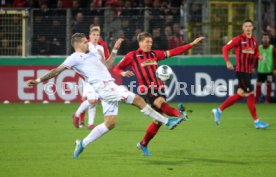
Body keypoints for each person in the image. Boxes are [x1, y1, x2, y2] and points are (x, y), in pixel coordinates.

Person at [26, 33, 184, 159]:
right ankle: (167, 121)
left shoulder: (93, 53)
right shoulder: (74, 57)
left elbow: (108, 65)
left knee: (110, 123)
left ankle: (82, 143)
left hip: (109, 86)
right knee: (138, 99)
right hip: (104, 87)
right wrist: (39, 80)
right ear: (78, 44)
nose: (88, 44)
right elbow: (57, 71)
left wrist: (114, 49)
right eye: (85, 42)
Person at [113, 32, 204, 156]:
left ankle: (143, 144)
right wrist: (122, 73)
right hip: (147, 89)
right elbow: (116, 68)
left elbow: (173, 52)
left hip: (160, 88)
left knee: (158, 121)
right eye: (147, 42)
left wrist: (191, 44)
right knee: (161, 104)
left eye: (150, 42)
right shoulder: (132, 55)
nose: (149, 44)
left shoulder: (154, 54)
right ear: (140, 42)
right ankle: (179, 114)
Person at [212, 19, 269, 129]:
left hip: (248, 72)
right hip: (241, 72)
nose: (248, 28)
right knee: (251, 94)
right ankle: (257, 122)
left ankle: (218, 110)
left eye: (250, 26)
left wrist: (259, 56)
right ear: (243, 28)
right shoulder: (238, 39)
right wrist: (227, 61)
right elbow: (225, 48)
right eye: (246, 26)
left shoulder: (254, 41)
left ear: (252, 28)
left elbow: (256, 51)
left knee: (240, 94)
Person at [75, 25, 110, 129]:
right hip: (88, 77)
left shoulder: (101, 47)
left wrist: (102, 56)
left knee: (94, 100)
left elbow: (104, 63)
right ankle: (78, 116)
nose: (96, 36)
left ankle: (90, 123)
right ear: (90, 35)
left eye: (97, 35)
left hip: (98, 77)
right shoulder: (86, 46)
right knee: (89, 99)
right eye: (94, 34)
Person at [255, 33, 276, 103]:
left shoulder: (272, 48)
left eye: (266, 38)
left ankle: (267, 100)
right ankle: (256, 99)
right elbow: (255, 58)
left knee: (269, 84)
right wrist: (254, 66)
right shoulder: (259, 48)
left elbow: (275, 59)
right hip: (261, 70)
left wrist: (274, 69)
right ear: (262, 39)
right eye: (264, 38)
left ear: (269, 39)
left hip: (269, 71)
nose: (265, 39)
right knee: (258, 84)